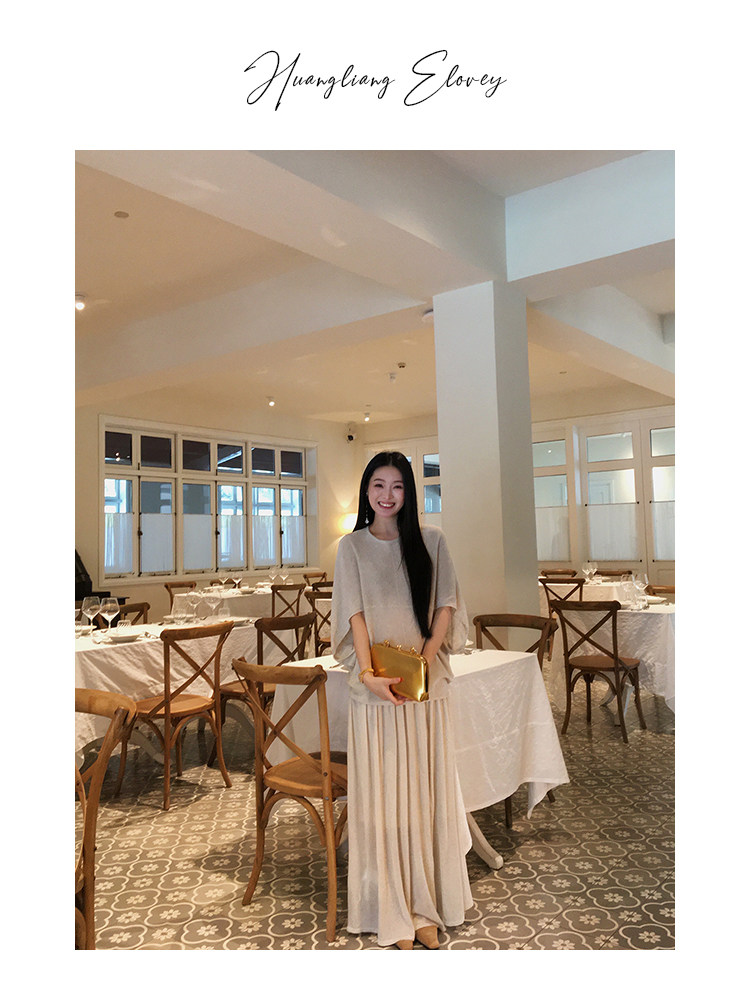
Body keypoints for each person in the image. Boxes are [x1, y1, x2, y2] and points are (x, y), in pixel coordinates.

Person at [331, 451, 472, 949]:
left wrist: (423, 665)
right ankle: (390, 902)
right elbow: (354, 615)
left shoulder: (432, 541)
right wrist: (369, 675)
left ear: (409, 493)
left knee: (425, 794)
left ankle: (425, 904)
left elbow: (445, 605)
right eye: (378, 485)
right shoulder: (351, 547)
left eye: (396, 486)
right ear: (367, 491)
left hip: (424, 693)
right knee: (385, 800)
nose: (387, 495)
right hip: (375, 698)